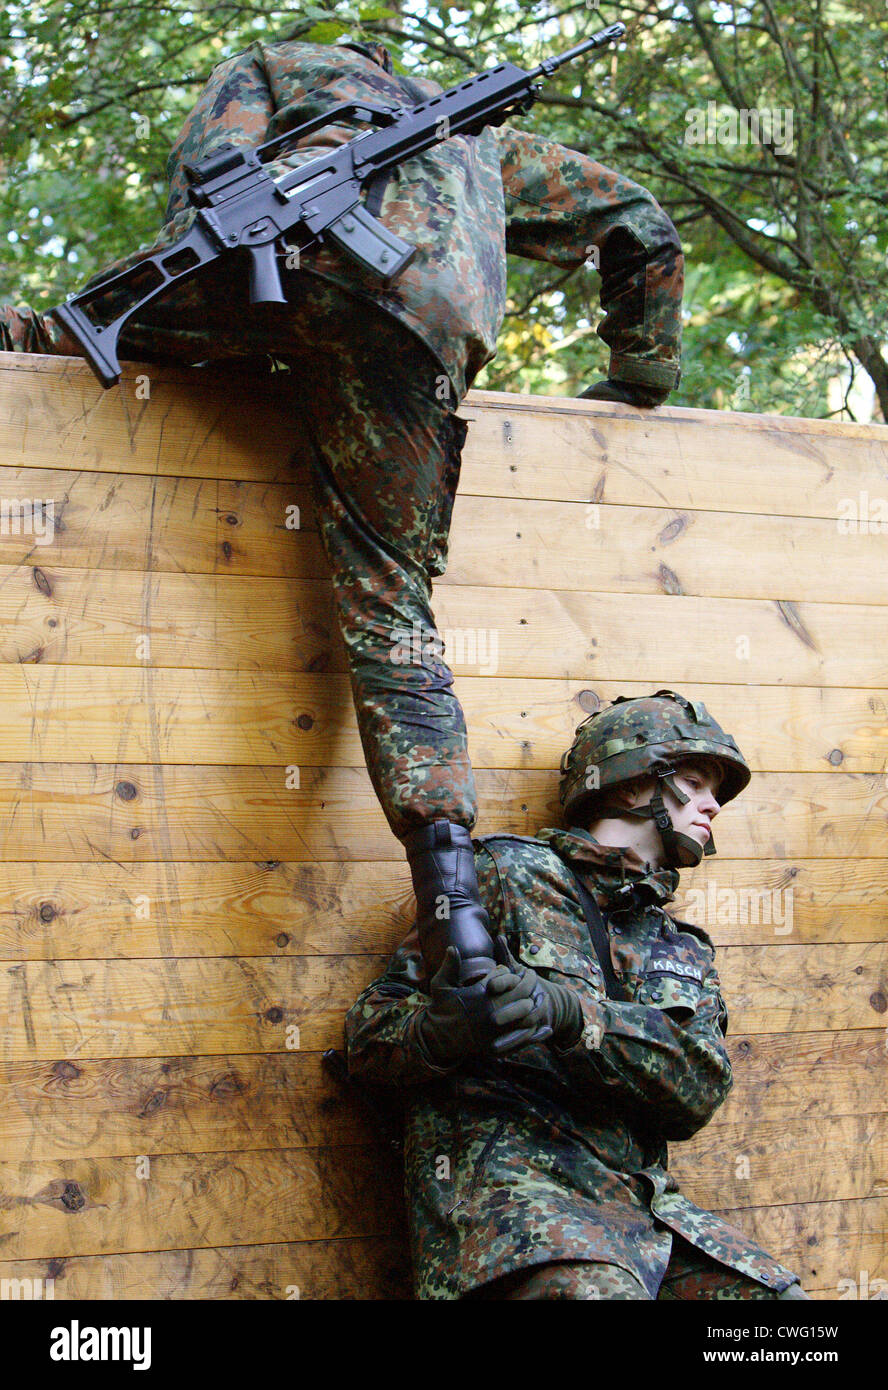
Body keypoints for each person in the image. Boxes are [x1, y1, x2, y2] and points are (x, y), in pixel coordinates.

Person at [1, 35, 684, 985]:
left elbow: (208, 173)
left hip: (265, 264)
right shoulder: (485, 144)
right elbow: (642, 223)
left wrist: (219, 325)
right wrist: (637, 381)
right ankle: (455, 916)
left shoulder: (280, 64)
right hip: (418, 322)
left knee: (56, 335)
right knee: (392, 616)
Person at [344, 689, 812, 1300]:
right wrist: (441, 1030)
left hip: (643, 1214)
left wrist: (572, 1016)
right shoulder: (507, 875)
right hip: (515, 1210)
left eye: (716, 794)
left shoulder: (682, 945)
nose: (713, 806)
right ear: (630, 785)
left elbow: (697, 1091)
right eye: (696, 784)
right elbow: (368, 1039)